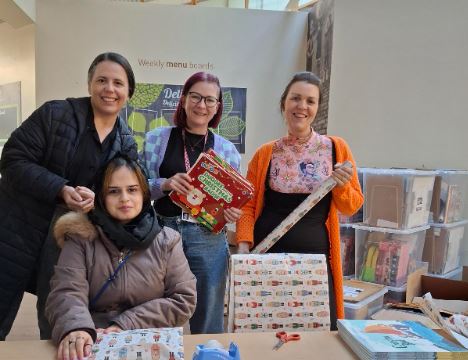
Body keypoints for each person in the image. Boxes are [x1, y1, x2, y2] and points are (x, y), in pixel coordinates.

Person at [0, 52, 138, 340]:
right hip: (17, 228)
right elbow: (12, 160)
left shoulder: (125, 140)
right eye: (102, 80)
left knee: (56, 316)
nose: (109, 89)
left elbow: (122, 192)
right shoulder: (55, 114)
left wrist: (97, 200)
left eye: (118, 83)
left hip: (69, 239)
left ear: (128, 92)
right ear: (89, 84)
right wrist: (61, 188)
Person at [236, 71, 363, 330]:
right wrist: (243, 245)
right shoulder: (265, 153)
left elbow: (352, 205)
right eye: (295, 98)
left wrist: (339, 185)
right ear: (284, 103)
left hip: (315, 259)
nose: (302, 107)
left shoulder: (336, 148)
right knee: (266, 327)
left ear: (317, 107)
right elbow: (247, 205)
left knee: (317, 328)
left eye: (310, 101)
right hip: (266, 255)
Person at [46, 155, 196, 360]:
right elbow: (67, 291)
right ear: (100, 196)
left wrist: (125, 323)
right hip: (93, 341)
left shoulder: (167, 241)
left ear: (144, 193)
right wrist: (76, 328)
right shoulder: (80, 238)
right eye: (113, 191)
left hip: (149, 342)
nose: (124, 198)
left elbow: (183, 299)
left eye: (132, 190)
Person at [141, 72, 242, 334]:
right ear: (184, 99)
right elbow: (138, 189)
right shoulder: (156, 140)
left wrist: (230, 213)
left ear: (218, 106)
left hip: (207, 235)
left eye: (210, 100)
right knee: (156, 306)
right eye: (196, 97)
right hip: (163, 231)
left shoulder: (227, 150)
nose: (202, 105)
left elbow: (230, 202)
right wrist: (163, 184)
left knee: (208, 309)